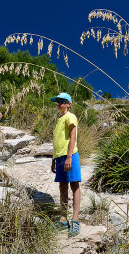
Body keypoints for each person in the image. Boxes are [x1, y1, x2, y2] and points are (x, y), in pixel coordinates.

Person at [50, 92, 81, 237]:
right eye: (57, 101)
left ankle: (75, 219)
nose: (59, 103)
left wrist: (69, 157)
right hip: (59, 157)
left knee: (74, 184)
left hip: (70, 155)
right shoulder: (58, 120)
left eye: (62, 101)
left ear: (69, 104)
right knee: (62, 185)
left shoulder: (70, 116)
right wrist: (53, 159)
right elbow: (56, 141)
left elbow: (73, 136)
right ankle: (63, 218)